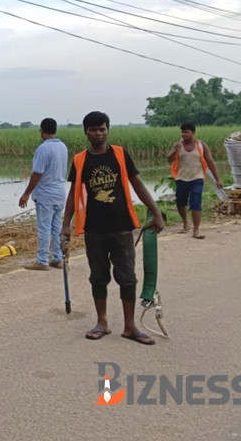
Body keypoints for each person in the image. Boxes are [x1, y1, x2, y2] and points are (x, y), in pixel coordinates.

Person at [61, 111, 166, 346]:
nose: (98, 133)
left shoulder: (120, 154)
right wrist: (65, 224)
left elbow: (137, 184)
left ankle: (130, 327)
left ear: (108, 130)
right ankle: (102, 323)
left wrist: (156, 213)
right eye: (93, 130)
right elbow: (73, 195)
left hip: (121, 227)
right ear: (86, 132)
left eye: (102, 129)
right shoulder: (80, 160)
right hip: (94, 228)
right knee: (98, 277)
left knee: (127, 277)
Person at [19, 118, 68, 270]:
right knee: (56, 227)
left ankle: (42, 261)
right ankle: (58, 258)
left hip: (46, 194)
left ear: (42, 131)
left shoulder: (43, 148)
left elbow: (37, 174)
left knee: (44, 228)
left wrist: (26, 194)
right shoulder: (63, 146)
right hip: (60, 193)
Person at [167, 122, 222, 239]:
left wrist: (218, 180)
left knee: (195, 200)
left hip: (197, 178)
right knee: (180, 203)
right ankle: (186, 223)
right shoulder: (178, 145)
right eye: (182, 132)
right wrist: (174, 150)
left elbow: (210, 162)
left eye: (186, 132)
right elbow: (169, 159)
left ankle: (196, 230)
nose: (183, 134)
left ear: (193, 133)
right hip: (181, 178)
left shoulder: (201, 145)